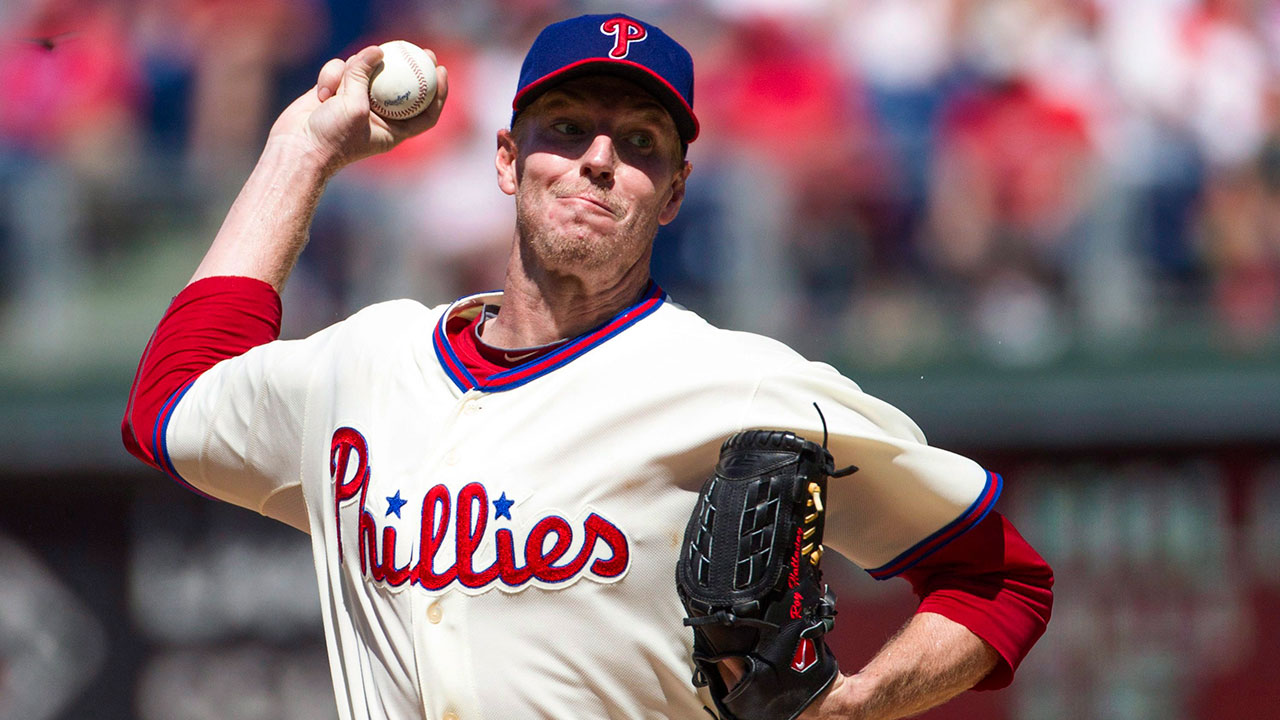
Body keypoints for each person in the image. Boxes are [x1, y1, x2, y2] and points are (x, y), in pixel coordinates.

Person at [122, 13, 1052, 720]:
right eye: (565, 128)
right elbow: (170, 403)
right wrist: (302, 152)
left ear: (677, 190)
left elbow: (1002, 579)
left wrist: (855, 705)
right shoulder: (367, 362)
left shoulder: (743, 387)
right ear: (506, 160)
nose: (599, 159)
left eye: (641, 144)